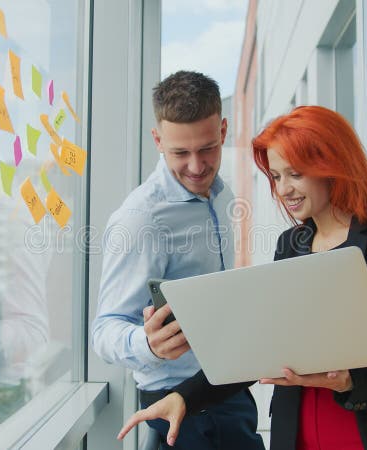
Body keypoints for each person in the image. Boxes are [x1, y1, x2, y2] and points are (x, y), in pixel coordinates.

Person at [117, 105, 367, 450]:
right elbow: (259, 349)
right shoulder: (292, 244)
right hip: (297, 432)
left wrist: (350, 380)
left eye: (295, 174)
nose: (284, 189)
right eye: (276, 176)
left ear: (332, 166)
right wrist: (184, 398)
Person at [91, 71, 265, 449]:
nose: (197, 167)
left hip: (226, 390)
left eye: (207, 149)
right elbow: (103, 331)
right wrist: (148, 345)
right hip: (179, 407)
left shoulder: (220, 194)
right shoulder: (141, 219)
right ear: (158, 140)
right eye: (180, 153)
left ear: (223, 129)